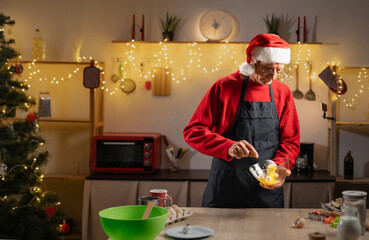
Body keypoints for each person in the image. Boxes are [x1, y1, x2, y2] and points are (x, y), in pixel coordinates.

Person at [183, 34, 300, 208]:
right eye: (268, 68)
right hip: (226, 189)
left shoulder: (283, 92)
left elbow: (290, 141)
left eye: (279, 70)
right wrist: (227, 146)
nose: (273, 75)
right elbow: (193, 132)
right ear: (253, 60)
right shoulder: (225, 87)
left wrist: (280, 166)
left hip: (266, 191)